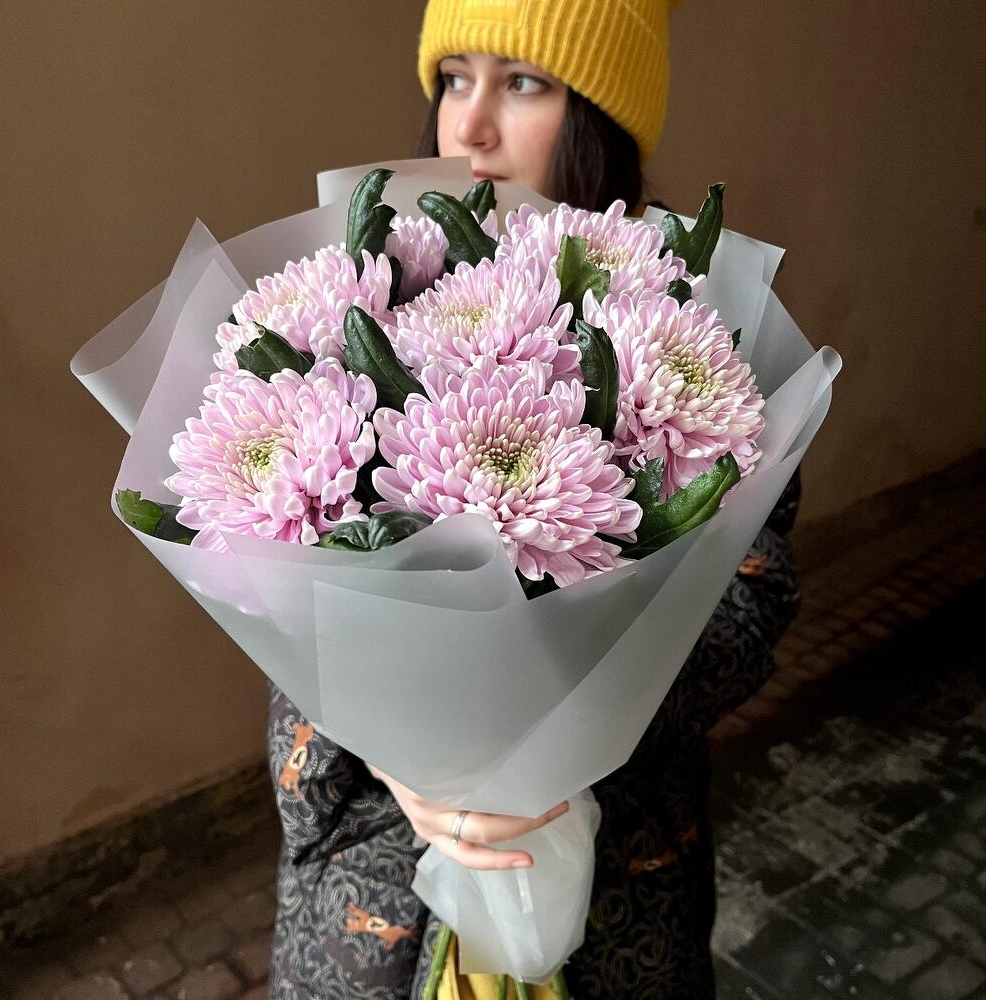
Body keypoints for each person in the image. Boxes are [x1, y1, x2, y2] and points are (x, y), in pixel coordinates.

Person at [266, 1, 801, 997]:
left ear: (601, 117)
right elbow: (285, 587)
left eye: (522, 82)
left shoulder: (698, 325)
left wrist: (563, 726)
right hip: (378, 888)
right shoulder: (374, 303)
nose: (468, 125)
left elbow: (751, 589)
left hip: (619, 873)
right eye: (453, 78)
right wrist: (390, 747)